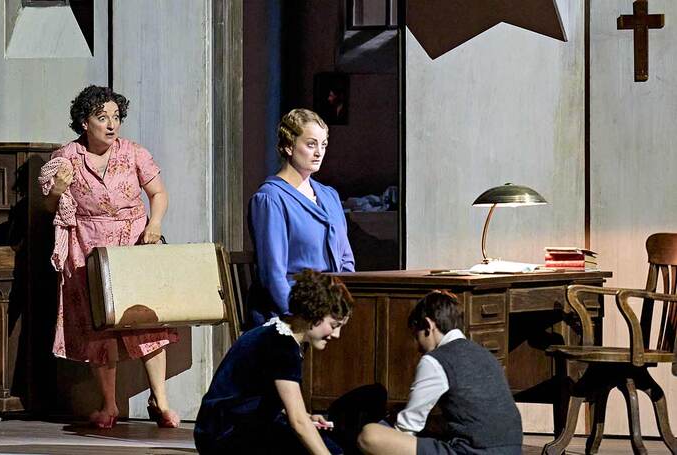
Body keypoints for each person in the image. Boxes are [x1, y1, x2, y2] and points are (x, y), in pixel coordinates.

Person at [39, 85, 179, 429]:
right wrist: (58, 188)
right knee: (100, 328)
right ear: (85, 122)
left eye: (116, 117)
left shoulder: (133, 153)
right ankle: (109, 405)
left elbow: (158, 192)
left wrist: (155, 223)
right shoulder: (67, 157)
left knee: (147, 321)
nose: (112, 124)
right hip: (88, 250)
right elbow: (48, 205)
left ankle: (160, 400)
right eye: (103, 118)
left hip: (133, 244)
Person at [194, 269, 353, 454]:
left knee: (329, 442)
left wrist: (308, 418)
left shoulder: (277, 333)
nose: (336, 335)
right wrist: (305, 423)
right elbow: (297, 421)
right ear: (313, 313)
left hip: (234, 425)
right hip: (224, 435)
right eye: (333, 326)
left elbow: (261, 399)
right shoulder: (281, 345)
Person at [357, 291, 523, 455]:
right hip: (512, 449)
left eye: (417, 336)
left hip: (473, 451)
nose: (418, 347)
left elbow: (407, 427)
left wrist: (388, 428)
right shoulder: (483, 353)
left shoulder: (436, 360)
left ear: (429, 326)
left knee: (370, 435)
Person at [248, 108, 355, 326]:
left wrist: (343, 307)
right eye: (311, 144)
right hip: (291, 314)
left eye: (323, 145)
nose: (319, 152)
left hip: (330, 310)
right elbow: (273, 274)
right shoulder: (271, 198)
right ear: (289, 146)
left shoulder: (329, 196)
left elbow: (346, 261)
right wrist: (303, 318)